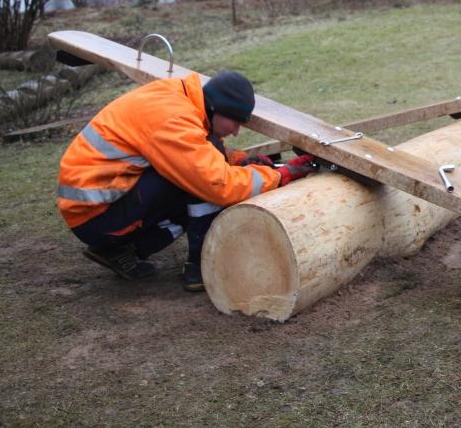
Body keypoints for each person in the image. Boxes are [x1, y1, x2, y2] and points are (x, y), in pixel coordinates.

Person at [57, 71, 317, 292]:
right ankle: (200, 266)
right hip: (97, 217)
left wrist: (239, 160)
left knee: (199, 167)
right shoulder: (172, 120)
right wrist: (281, 175)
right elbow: (218, 184)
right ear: (216, 109)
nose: (237, 131)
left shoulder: (180, 98)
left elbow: (200, 146)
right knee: (197, 184)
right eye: (235, 121)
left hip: (96, 204)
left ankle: (119, 250)